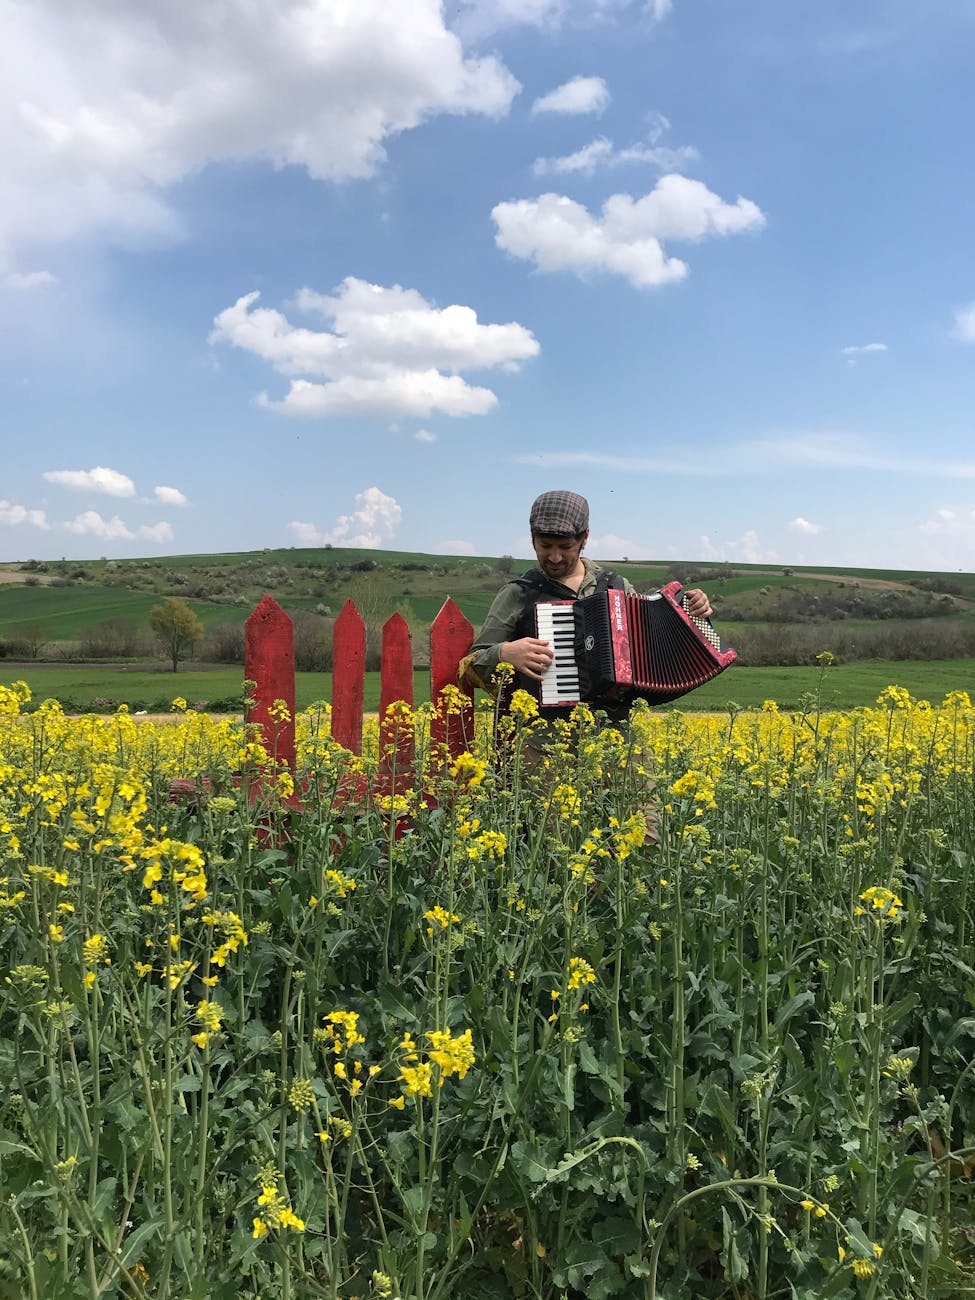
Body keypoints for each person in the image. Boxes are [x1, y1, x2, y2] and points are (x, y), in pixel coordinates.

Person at [461, 490, 714, 837]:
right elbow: (472, 664)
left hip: (617, 738)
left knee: (644, 836)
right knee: (557, 852)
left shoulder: (615, 585)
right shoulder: (519, 593)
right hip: (546, 746)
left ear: (584, 538)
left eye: (564, 546)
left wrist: (692, 609)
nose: (553, 556)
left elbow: (651, 631)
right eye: (544, 545)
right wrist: (506, 654)